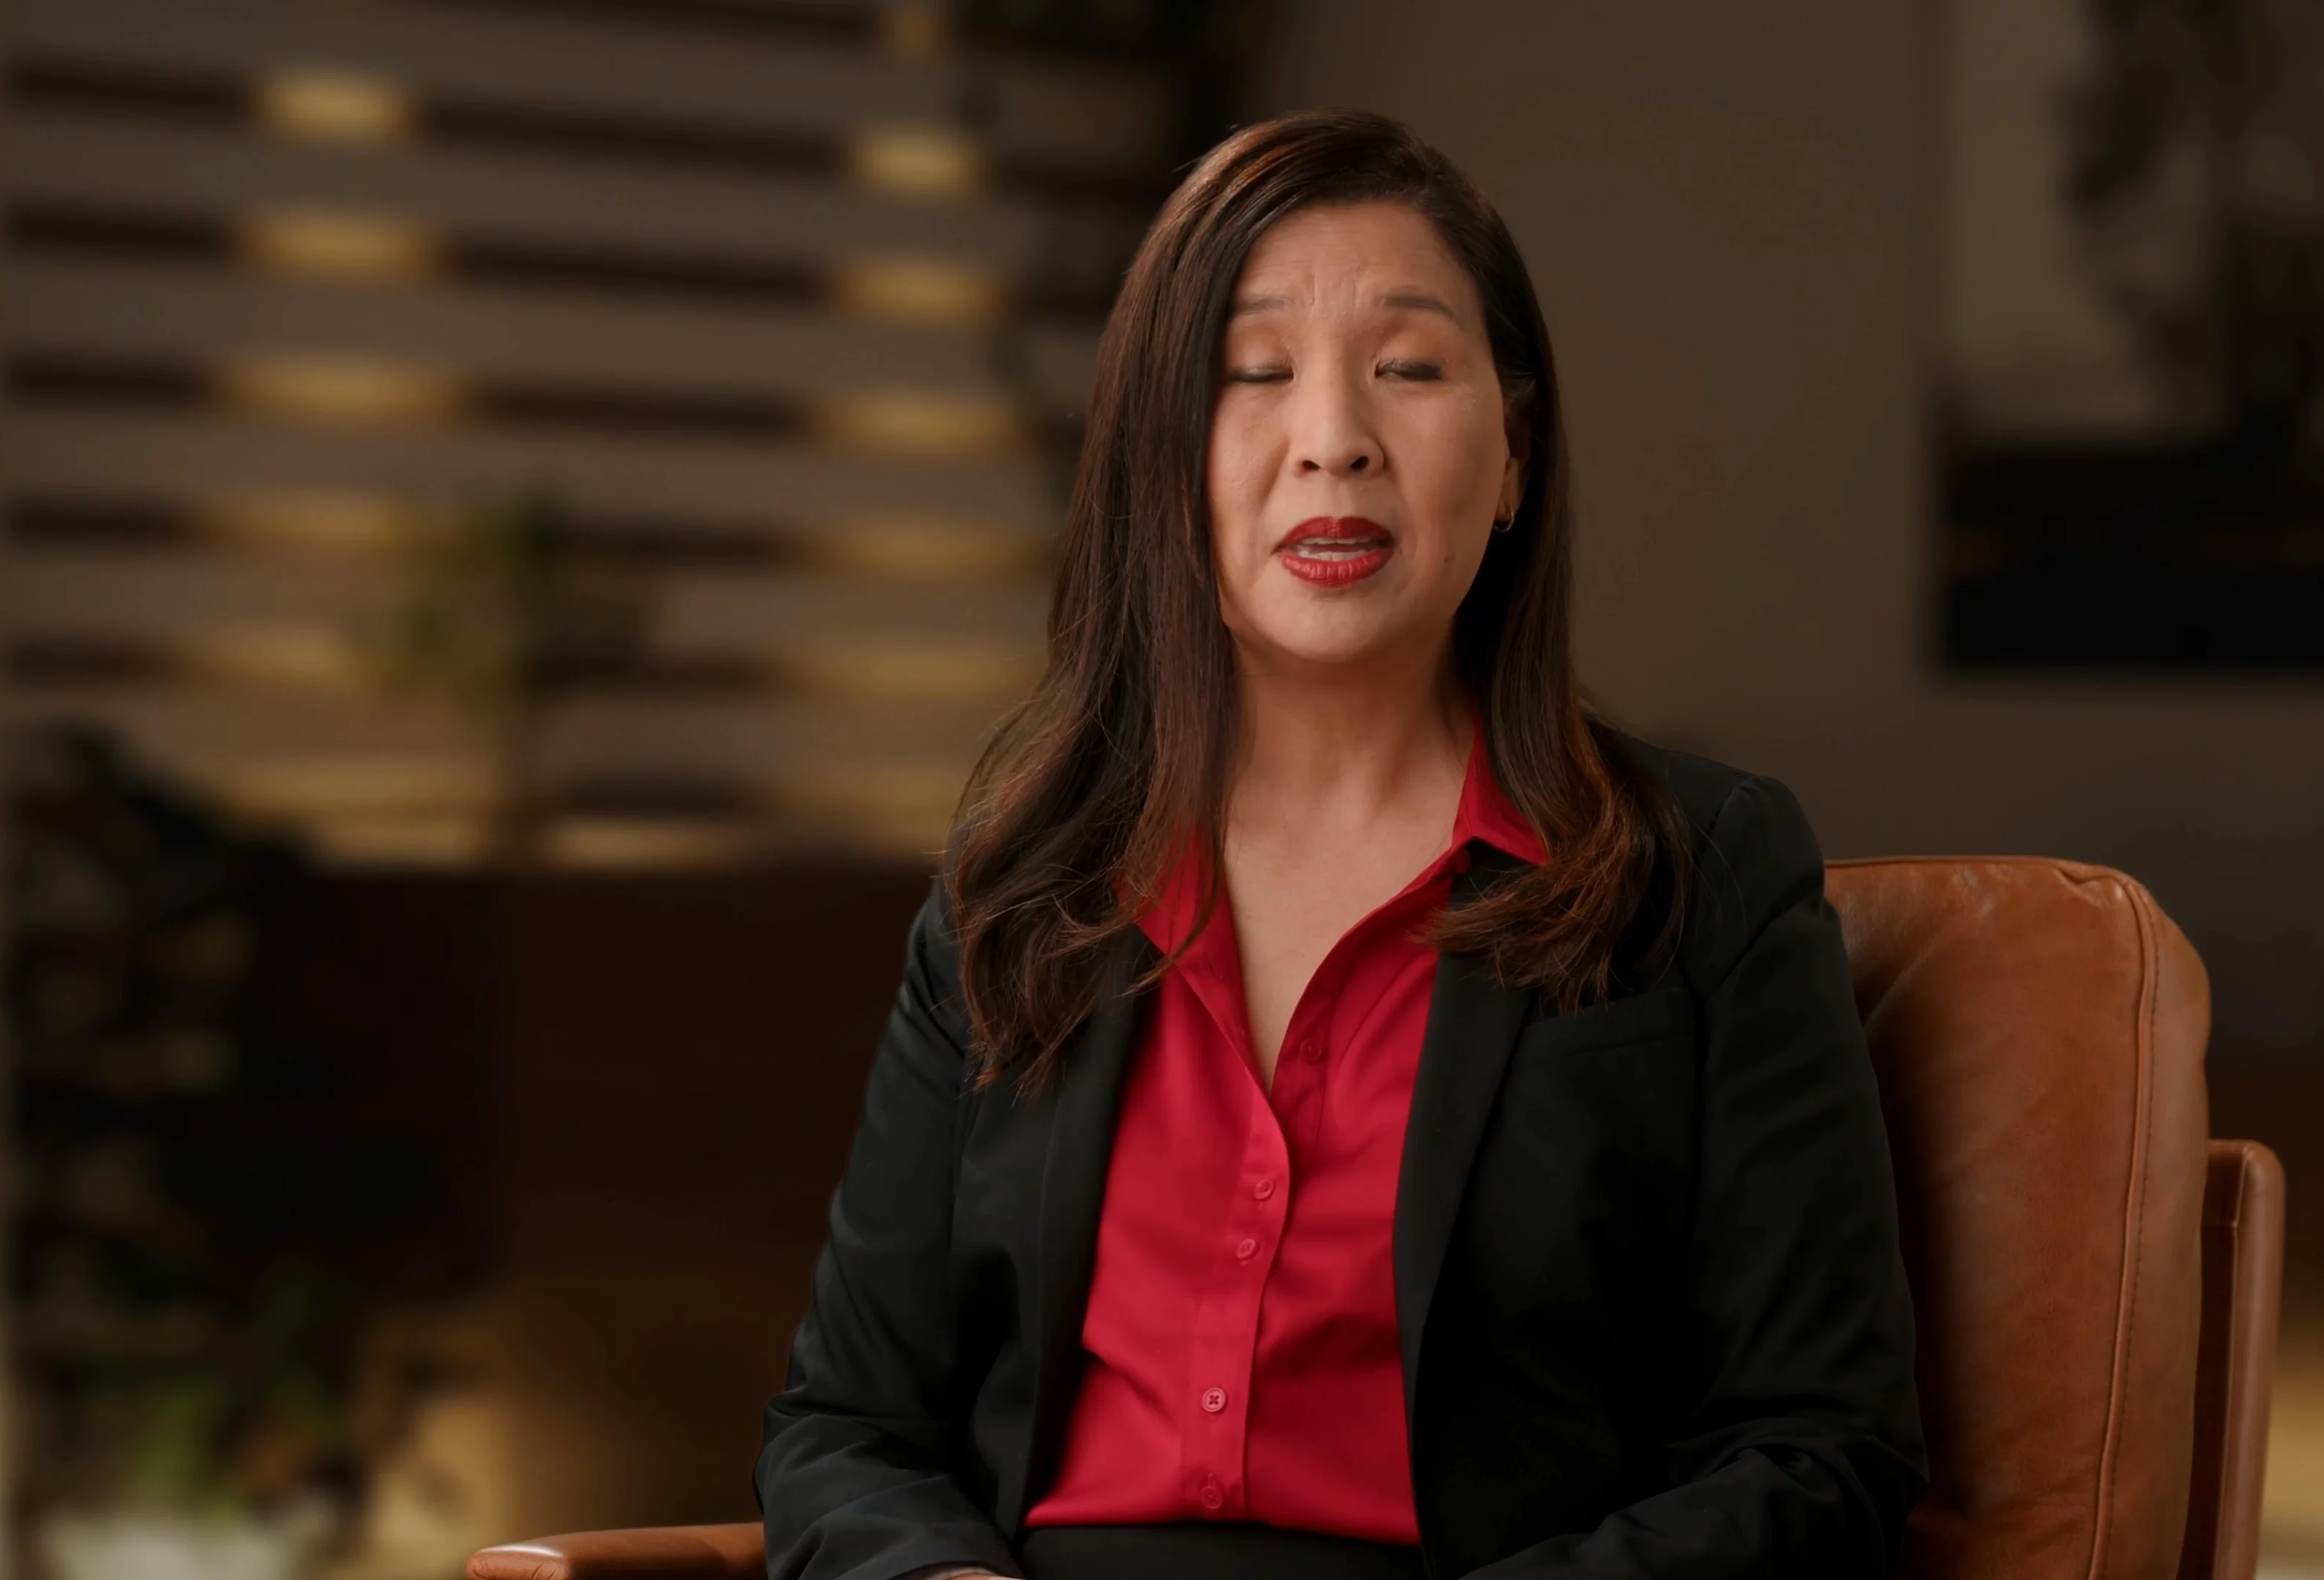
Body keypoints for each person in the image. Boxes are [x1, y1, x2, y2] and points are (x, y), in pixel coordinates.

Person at [756, 110, 1923, 1580]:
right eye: (1255, 374)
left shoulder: (1698, 878)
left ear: (1515, 456)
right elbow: (845, 1430)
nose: (1334, 441)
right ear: (1159, 462)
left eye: (1409, 369)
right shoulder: (1021, 895)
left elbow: (1820, 1452)